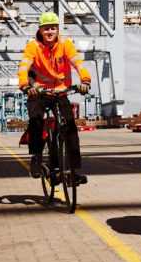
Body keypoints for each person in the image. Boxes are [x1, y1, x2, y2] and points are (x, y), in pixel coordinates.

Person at [18, 12, 91, 181]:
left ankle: (73, 171)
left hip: (60, 92)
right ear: (40, 30)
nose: (50, 32)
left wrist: (85, 81)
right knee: (36, 119)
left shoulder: (66, 44)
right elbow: (24, 66)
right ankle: (36, 156)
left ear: (58, 30)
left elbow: (78, 63)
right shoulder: (33, 46)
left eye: (53, 28)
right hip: (39, 92)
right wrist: (25, 85)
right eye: (46, 29)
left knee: (70, 128)